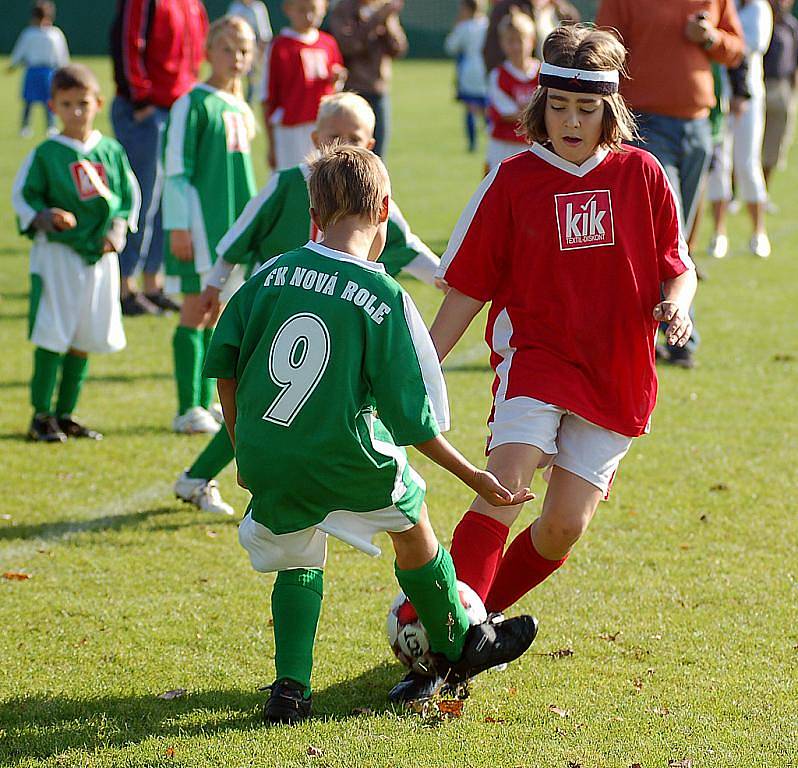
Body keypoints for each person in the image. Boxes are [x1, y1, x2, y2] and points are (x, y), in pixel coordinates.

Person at [389, 24, 698, 703]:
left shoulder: (644, 175)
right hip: (536, 359)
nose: (571, 121)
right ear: (542, 105)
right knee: (506, 484)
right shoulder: (513, 180)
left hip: (616, 371)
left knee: (561, 527)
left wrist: (676, 305)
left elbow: (679, 267)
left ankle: (458, 624)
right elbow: (467, 290)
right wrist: (417, 369)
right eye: (559, 107)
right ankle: (447, 645)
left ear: (610, 112)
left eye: (586, 110)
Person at [203, 144, 539, 723]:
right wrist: (475, 476)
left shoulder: (269, 276)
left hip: (269, 456)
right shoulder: (383, 297)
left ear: (314, 214)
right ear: (384, 209)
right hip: (345, 458)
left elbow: (225, 363)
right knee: (412, 522)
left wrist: (241, 443)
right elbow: (413, 423)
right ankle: (461, 643)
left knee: (297, 551)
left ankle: (290, 689)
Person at [174, 92, 445, 516]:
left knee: (288, 408)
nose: (343, 144)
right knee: (262, 405)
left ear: (371, 143)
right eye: (333, 136)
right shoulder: (287, 183)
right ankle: (200, 476)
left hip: (333, 324)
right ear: (315, 138)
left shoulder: (370, 191)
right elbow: (236, 238)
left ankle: (326, 487)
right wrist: (213, 284)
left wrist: (451, 280)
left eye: (354, 136)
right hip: (275, 318)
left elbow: (407, 247)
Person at [596, 0, 744, 369]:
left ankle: (656, 328)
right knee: (671, 222)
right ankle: (681, 338)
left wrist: (710, 39)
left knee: (677, 237)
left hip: (698, 125)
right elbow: (600, 50)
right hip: (645, 124)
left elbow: (737, 50)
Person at [11, 64, 140, 443]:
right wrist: (46, 216)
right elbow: (23, 196)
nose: (76, 112)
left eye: (83, 103)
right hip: (59, 255)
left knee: (85, 333)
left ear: (98, 103)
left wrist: (116, 232)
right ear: (53, 106)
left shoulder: (110, 151)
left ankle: (66, 413)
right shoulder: (47, 153)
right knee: (54, 331)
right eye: (66, 104)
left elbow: (129, 196)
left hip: (100, 256)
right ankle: (41, 416)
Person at [162, 16, 258, 435]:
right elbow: (176, 170)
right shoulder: (192, 102)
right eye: (227, 49)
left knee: (215, 312)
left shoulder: (240, 106)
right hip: (199, 227)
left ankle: (205, 403)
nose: (235, 59)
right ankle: (187, 407)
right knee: (192, 309)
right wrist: (178, 225)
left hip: (232, 229)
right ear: (208, 52)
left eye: (244, 51)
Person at [110, 0, 208, 317]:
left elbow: (197, 51)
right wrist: (141, 99)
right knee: (142, 200)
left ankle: (153, 283)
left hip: (178, 109)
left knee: (169, 200)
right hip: (148, 112)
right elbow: (128, 43)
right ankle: (124, 285)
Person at [707, 0, 773, 259]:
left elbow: (745, 49)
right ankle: (719, 233)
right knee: (719, 164)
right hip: (719, 94)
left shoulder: (759, 8)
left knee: (746, 163)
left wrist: (740, 94)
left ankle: (759, 232)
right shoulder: (725, 4)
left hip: (749, 97)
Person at [260, 0, 346, 171]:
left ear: (324, 9)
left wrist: (337, 80)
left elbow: (334, 90)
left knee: (323, 180)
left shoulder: (328, 43)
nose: (308, 16)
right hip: (290, 129)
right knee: (292, 179)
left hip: (323, 126)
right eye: (301, 10)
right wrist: (271, 143)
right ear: (288, 9)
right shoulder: (279, 45)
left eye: (313, 10)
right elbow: (267, 97)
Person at [328, 0, 407, 158]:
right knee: (348, 156)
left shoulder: (382, 9)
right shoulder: (343, 9)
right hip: (352, 91)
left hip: (378, 91)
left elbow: (398, 48)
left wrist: (387, 21)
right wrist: (376, 19)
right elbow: (347, 45)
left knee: (377, 158)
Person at [486, 7, 540, 171]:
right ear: (502, 43)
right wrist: (537, 113)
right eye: (510, 41)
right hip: (503, 146)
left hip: (534, 146)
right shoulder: (499, 75)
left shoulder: (543, 74)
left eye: (520, 40)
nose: (516, 46)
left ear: (532, 40)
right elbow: (507, 113)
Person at [8, 1, 69, 138]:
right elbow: (21, 51)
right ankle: (25, 127)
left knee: (48, 100)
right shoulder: (30, 34)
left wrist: (64, 68)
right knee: (29, 100)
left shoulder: (54, 34)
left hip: (48, 71)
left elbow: (61, 54)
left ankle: (51, 126)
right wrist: (14, 63)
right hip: (33, 70)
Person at [762, 0, 798, 198]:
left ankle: (764, 192)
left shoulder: (791, 26)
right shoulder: (760, 18)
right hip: (761, 86)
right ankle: (737, 194)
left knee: (774, 144)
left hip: (782, 87)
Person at [483, 0, 580, 72]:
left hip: (556, 84)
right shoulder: (505, 9)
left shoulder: (563, 11)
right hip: (516, 88)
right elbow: (491, 53)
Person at [445, 0, 490, 153]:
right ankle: (491, 136)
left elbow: (450, 46)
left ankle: (472, 143)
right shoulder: (488, 25)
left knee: (470, 108)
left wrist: (457, 26)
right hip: (486, 70)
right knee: (487, 107)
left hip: (469, 70)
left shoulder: (464, 27)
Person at [227, 0, 273, 101]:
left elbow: (264, 34)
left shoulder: (258, 8)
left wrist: (260, 53)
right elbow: (228, 26)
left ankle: (249, 103)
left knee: (253, 80)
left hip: (253, 48)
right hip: (236, 47)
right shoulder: (235, 6)